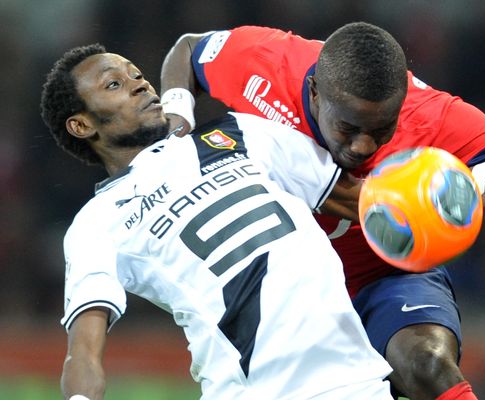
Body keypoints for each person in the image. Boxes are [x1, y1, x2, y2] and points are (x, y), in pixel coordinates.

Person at [160, 23, 485, 400]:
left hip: (384, 275)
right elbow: (186, 49)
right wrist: (176, 130)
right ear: (314, 91)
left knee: (428, 365)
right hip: (282, 288)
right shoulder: (265, 61)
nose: (363, 146)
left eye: (381, 130)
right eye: (348, 128)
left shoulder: (439, 119)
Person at [40, 44, 402, 400]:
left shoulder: (240, 132)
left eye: (136, 74)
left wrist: (437, 197)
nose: (140, 84)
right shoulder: (98, 221)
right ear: (81, 124)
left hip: (358, 382)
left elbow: (367, 204)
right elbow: (83, 350)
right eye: (113, 84)